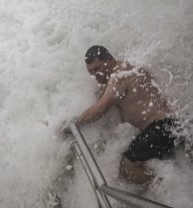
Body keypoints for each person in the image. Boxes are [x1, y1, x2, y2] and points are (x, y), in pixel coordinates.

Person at [61, 45, 178, 185]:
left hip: (161, 127)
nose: (94, 75)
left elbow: (100, 109)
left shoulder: (119, 74)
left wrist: (73, 124)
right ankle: (168, 184)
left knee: (126, 168)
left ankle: (164, 188)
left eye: (97, 68)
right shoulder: (121, 73)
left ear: (110, 61)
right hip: (168, 127)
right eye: (90, 71)